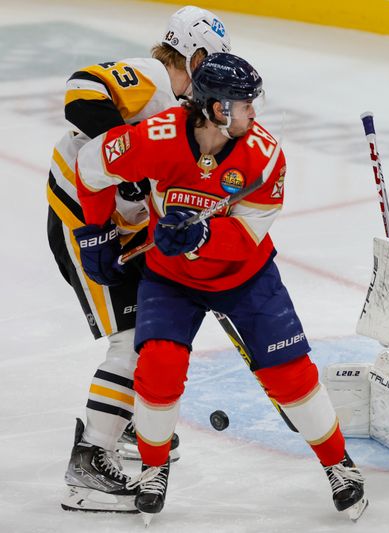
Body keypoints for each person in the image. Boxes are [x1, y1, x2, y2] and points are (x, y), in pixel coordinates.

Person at [72, 52, 367, 524]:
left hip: (244, 276)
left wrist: (202, 235)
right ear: (215, 109)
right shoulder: (157, 137)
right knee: (158, 367)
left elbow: (249, 232)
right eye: (244, 104)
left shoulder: (265, 156)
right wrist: (95, 233)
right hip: (171, 279)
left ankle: (339, 465)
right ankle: (152, 468)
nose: (254, 112)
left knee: (290, 375)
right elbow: (90, 167)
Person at [49, 5, 231, 513]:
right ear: (194, 56)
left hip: (120, 232)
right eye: (211, 65)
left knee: (146, 333)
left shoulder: (184, 114)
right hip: (81, 225)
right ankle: (89, 462)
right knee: (131, 341)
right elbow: (80, 89)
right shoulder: (152, 79)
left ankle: (115, 417)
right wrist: (120, 156)